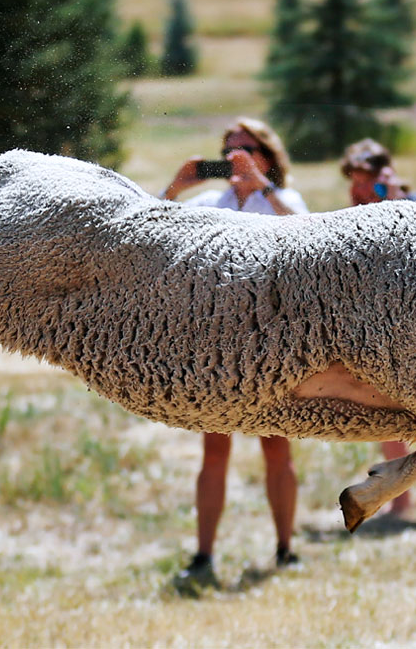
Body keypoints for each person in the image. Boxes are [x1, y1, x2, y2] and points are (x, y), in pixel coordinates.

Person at [161, 118, 309, 592]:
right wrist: (176, 187)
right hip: (218, 344)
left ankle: (285, 548)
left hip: (271, 342)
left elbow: (307, 234)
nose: (234, 157)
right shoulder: (210, 203)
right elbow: (151, 231)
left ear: (266, 154)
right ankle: (203, 554)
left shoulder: (283, 199)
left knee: (276, 447)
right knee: (214, 450)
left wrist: (262, 185)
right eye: (228, 149)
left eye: (245, 147)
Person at [341, 138, 416, 517]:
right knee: (384, 419)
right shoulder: (350, 218)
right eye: (354, 182)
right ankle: (398, 499)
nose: (359, 190)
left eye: (366, 182)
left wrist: (396, 203)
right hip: (374, 335)